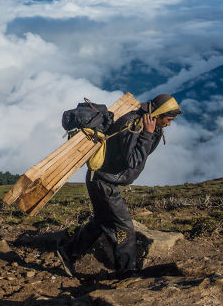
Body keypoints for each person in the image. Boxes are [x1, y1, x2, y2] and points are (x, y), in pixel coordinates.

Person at [57, 93, 182, 278]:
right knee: (124, 228)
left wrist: (149, 131)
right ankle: (126, 272)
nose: (169, 124)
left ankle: (68, 253)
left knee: (101, 220)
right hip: (104, 182)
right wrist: (147, 134)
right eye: (168, 119)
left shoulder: (145, 123)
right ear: (158, 114)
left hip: (101, 179)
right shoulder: (134, 125)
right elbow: (133, 161)